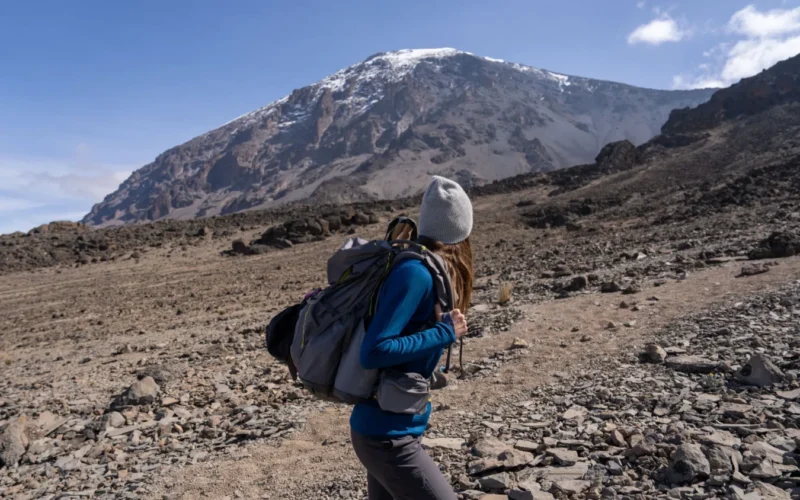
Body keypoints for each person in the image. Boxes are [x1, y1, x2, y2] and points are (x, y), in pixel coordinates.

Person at [350, 176, 474, 500]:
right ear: (460, 229)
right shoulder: (416, 273)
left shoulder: (426, 271)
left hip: (391, 430)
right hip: (387, 437)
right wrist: (444, 332)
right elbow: (374, 350)